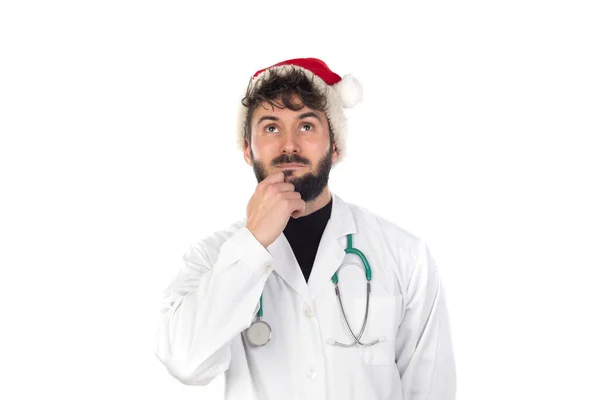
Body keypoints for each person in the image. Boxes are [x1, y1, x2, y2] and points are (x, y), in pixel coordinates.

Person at [155, 57, 456, 400]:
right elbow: (185, 363)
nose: (289, 145)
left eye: (307, 126)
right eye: (271, 127)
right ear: (246, 149)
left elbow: (431, 387)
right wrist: (252, 243)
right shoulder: (211, 256)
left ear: (336, 146)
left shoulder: (405, 255)